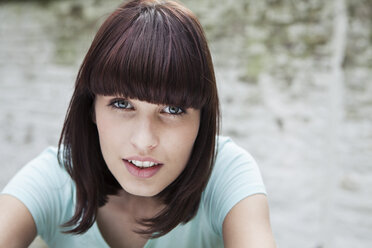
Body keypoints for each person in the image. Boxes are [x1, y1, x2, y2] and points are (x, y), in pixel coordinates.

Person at [0, 0, 276, 247]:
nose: (144, 141)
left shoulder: (225, 174)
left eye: (172, 109)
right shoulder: (56, 179)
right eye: (122, 104)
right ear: (91, 109)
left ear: (202, 120)